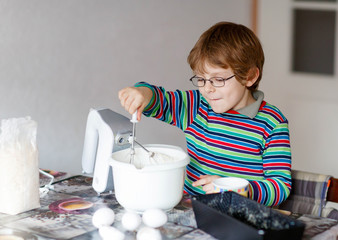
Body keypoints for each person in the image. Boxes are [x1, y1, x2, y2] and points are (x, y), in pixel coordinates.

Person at [118, 21, 291, 207]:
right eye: (201, 79)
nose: (207, 89)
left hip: (239, 218)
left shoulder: (272, 123)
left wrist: (242, 190)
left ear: (249, 76)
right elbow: (160, 101)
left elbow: (280, 186)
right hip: (191, 211)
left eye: (218, 79)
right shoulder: (196, 107)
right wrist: (143, 94)